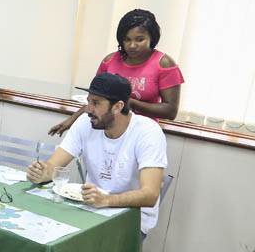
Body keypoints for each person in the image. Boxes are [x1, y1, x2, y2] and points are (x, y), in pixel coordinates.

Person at [28, 73, 167, 238]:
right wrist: (43, 173)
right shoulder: (85, 123)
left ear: (117, 106)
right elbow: (53, 165)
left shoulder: (148, 132)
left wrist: (106, 200)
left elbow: (150, 194)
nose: (88, 109)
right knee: (38, 230)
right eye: (88, 101)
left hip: (132, 219)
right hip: (90, 208)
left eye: (95, 103)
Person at [50, 9, 183, 136]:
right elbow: (95, 98)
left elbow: (170, 111)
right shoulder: (110, 61)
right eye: (127, 39)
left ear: (152, 38)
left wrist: (130, 102)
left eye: (139, 39)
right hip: (107, 130)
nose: (132, 45)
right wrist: (71, 121)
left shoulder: (164, 64)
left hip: (142, 133)